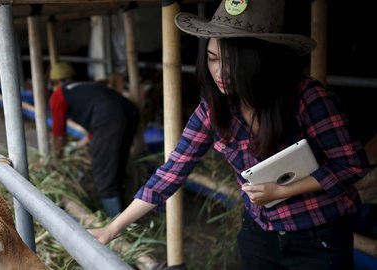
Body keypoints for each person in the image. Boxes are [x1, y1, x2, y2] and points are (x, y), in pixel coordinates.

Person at [88, 0, 370, 269]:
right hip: (258, 232)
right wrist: (111, 229)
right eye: (212, 59)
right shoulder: (213, 108)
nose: (220, 72)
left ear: (260, 59)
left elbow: (352, 164)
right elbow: (170, 172)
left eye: (232, 62)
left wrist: (284, 190)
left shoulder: (306, 97)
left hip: (318, 237)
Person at [49, 62, 140, 218]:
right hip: (130, 113)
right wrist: (86, 141)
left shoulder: (58, 95)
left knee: (103, 174)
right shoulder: (86, 87)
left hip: (110, 120)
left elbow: (59, 133)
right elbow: (101, 113)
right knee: (118, 167)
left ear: (55, 83)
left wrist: (57, 157)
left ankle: (117, 225)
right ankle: (128, 214)